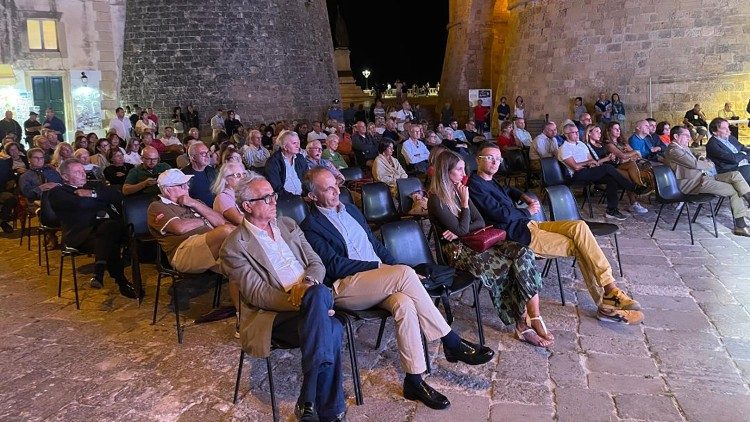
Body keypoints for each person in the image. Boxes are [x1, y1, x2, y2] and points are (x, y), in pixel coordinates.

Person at [301, 166, 494, 410]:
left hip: (379, 279)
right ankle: (450, 341)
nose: (335, 191)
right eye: (327, 188)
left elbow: (375, 244)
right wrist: (384, 268)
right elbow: (334, 265)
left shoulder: (350, 209)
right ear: (312, 196)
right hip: (346, 287)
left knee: (404, 302)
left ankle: (413, 380)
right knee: (404, 273)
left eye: (335, 184)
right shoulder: (310, 226)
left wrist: (391, 266)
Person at [468, 143, 644, 324]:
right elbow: (500, 215)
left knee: (579, 227)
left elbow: (508, 190)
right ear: (478, 160)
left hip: (531, 225)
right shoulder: (475, 185)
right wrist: (527, 210)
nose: (495, 162)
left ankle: (610, 295)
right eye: (489, 158)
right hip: (519, 235)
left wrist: (523, 197)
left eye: (498, 159)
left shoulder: (490, 180)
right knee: (579, 245)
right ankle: (608, 296)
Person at [219, 175, 346, 421]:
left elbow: (316, 263)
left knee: (319, 294)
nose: (274, 201)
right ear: (247, 206)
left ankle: (309, 400)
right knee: (331, 327)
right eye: (266, 198)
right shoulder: (235, 246)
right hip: (274, 316)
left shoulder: (288, 224)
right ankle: (327, 410)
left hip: (312, 300)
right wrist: (305, 300)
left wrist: (308, 287)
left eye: (273, 195)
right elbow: (258, 294)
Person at [428, 150, 555, 345]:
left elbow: (479, 222)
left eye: (464, 169)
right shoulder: (437, 199)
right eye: (460, 170)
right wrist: (464, 207)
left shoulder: (458, 189)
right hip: (457, 251)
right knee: (503, 267)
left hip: (476, 239)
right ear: (446, 172)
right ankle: (521, 324)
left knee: (523, 252)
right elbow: (463, 227)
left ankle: (535, 314)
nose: (464, 174)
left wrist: (460, 227)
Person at [48, 159, 139, 298]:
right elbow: (80, 206)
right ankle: (121, 282)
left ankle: (100, 272)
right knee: (110, 237)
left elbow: (117, 195)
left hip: (104, 232)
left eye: (83, 171)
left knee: (109, 228)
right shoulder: (58, 192)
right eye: (77, 172)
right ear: (65, 177)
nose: (83, 174)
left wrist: (92, 195)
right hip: (81, 235)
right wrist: (101, 200)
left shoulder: (93, 186)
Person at [666, 125, 750, 237]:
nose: (689, 138)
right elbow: (694, 164)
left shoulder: (683, 147)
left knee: (735, 175)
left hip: (704, 177)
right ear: (676, 136)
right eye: (686, 135)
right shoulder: (673, 150)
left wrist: (701, 158)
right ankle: (740, 226)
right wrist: (708, 164)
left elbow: (695, 156)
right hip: (694, 184)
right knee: (735, 190)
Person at [147, 168, 235, 274]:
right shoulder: (157, 206)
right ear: (167, 190)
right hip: (182, 252)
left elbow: (220, 222)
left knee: (240, 262)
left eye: (187, 184)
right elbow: (179, 228)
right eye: (182, 185)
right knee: (226, 231)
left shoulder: (194, 202)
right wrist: (204, 221)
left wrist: (195, 203)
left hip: (210, 245)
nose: (187, 187)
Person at [558, 123, 649, 219]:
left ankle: (611, 210)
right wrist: (588, 163)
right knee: (607, 168)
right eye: (574, 132)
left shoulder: (581, 144)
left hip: (590, 170)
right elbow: (576, 167)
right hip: (577, 175)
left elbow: (593, 161)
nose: (577, 134)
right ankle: (633, 187)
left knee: (611, 178)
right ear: (566, 134)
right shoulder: (564, 148)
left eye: (577, 132)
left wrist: (593, 162)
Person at [706, 117, 750, 186]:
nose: (728, 130)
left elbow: (743, 148)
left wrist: (744, 154)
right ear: (714, 132)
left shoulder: (731, 138)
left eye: (728, 127)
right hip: (728, 170)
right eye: (724, 128)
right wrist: (743, 154)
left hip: (743, 164)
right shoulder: (712, 145)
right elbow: (732, 159)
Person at [264, 130, 308, 200]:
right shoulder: (273, 162)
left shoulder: (300, 158)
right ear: (285, 147)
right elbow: (276, 188)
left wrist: (309, 194)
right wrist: (298, 199)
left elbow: (307, 178)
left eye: (298, 142)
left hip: (304, 197)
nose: (298, 146)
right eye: (294, 143)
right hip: (286, 201)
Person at [181, 142, 217, 206]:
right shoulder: (183, 175)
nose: (207, 156)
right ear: (193, 157)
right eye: (203, 153)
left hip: (215, 210)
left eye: (208, 152)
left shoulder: (212, 171)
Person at [211, 162, 246, 226]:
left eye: (244, 174)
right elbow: (240, 220)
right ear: (226, 180)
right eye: (238, 175)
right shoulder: (223, 197)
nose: (242, 178)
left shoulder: (242, 195)